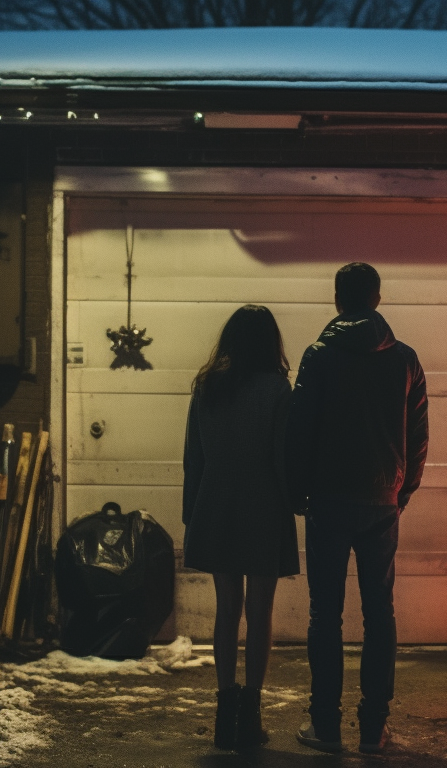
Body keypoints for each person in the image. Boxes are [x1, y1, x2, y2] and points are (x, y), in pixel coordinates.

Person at [287, 262, 429, 754]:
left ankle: (325, 726)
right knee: (379, 613)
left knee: (324, 615)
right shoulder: (405, 359)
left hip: (327, 500)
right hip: (380, 502)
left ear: (337, 300)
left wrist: (296, 491)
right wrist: (401, 491)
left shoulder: (318, 356)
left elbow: (299, 428)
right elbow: (418, 436)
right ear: (377, 299)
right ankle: (374, 729)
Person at [181, 304, 299, 751]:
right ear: (271, 343)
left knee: (226, 608)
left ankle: (223, 713)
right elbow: (282, 458)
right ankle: (250, 715)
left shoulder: (207, 388)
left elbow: (194, 458)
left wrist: (193, 512)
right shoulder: (276, 390)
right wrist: (295, 505)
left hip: (216, 505)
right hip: (264, 507)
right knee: (260, 611)